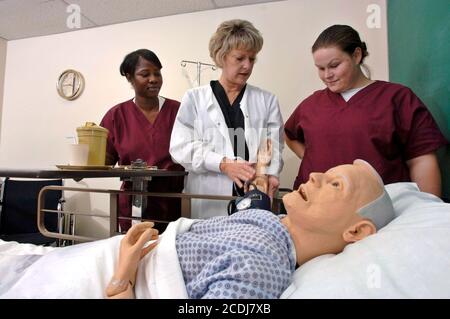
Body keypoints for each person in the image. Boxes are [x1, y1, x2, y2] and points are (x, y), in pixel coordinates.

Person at [106, 159, 395, 299]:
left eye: (335, 184)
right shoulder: (269, 221)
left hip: (115, 275)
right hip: (127, 252)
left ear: (356, 232)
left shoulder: (261, 270)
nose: (315, 175)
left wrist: (121, 283)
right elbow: (253, 209)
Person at [284, 25, 448, 197]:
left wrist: (426, 209)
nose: (327, 75)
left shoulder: (397, 98)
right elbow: (290, 135)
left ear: (356, 55)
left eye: (334, 65)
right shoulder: (311, 104)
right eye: (320, 68)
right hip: (317, 207)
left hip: (382, 208)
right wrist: (313, 158)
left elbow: (421, 158)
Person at [169, 19, 284, 219]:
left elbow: (273, 143)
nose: (247, 66)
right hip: (209, 198)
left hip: (255, 195)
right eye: (239, 58)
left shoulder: (266, 100)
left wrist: (269, 173)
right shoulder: (195, 99)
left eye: (252, 58)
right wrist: (222, 164)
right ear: (222, 57)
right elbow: (180, 147)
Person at [100, 49, 185, 233]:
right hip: (133, 208)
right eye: (145, 74)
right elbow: (103, 161)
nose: (153, 79)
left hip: (175, 206)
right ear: (130, 78)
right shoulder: (116, 116)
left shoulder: (179, 111)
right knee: (136, 258)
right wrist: (82, 165)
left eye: (157, 73)